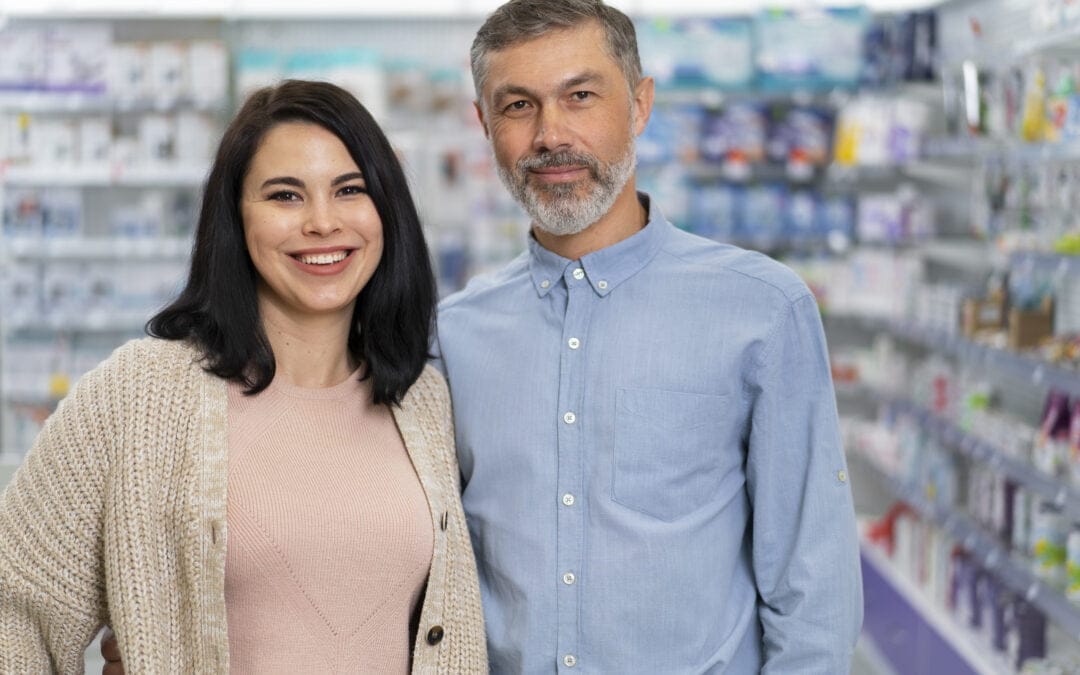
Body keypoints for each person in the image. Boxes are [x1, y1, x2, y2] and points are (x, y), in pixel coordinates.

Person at [433, 0, 863, 672]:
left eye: (580, 96)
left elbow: (813, 590)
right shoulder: (455, 334)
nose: (551, 134)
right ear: (485, 125)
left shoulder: (761, 310)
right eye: (518, 106)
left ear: (639, 105)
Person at [0, 79, 486, 673]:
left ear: (387, 209)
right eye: (285, 196)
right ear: (235, 217)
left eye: (350, 189)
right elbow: (15, 610)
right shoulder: (139, 396)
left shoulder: (423, 399)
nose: (322, 222)